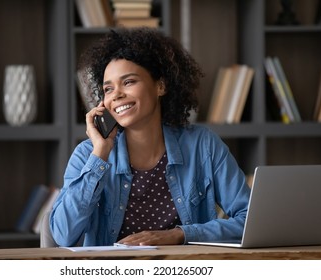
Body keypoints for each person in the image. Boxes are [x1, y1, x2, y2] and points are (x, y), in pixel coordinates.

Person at [50, 27, 250, 247]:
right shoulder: (89, 154)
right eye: (108, 89)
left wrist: (180, 234)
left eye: (128, 82)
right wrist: (100, 155)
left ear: (160, 86)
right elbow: (63, 235)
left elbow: (248, 219)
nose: (116, 95)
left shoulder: (203, 145)